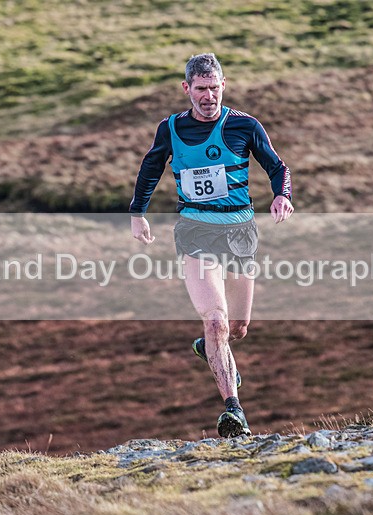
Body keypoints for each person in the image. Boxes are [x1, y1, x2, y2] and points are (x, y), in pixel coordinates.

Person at [129, 53, 293, 438]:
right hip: (195, 231)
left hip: (240, 232)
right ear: (187, 89)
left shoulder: (244, 126)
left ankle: (210, 345)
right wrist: (138, 212)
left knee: (236, 328)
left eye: (214, 87)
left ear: (224, 85)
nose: (208, 96)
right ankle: (234, 411)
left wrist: (281, 195)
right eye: (200, 89)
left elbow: (277, 166)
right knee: (216, 319)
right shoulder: (170, 129)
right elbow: (151, 168)